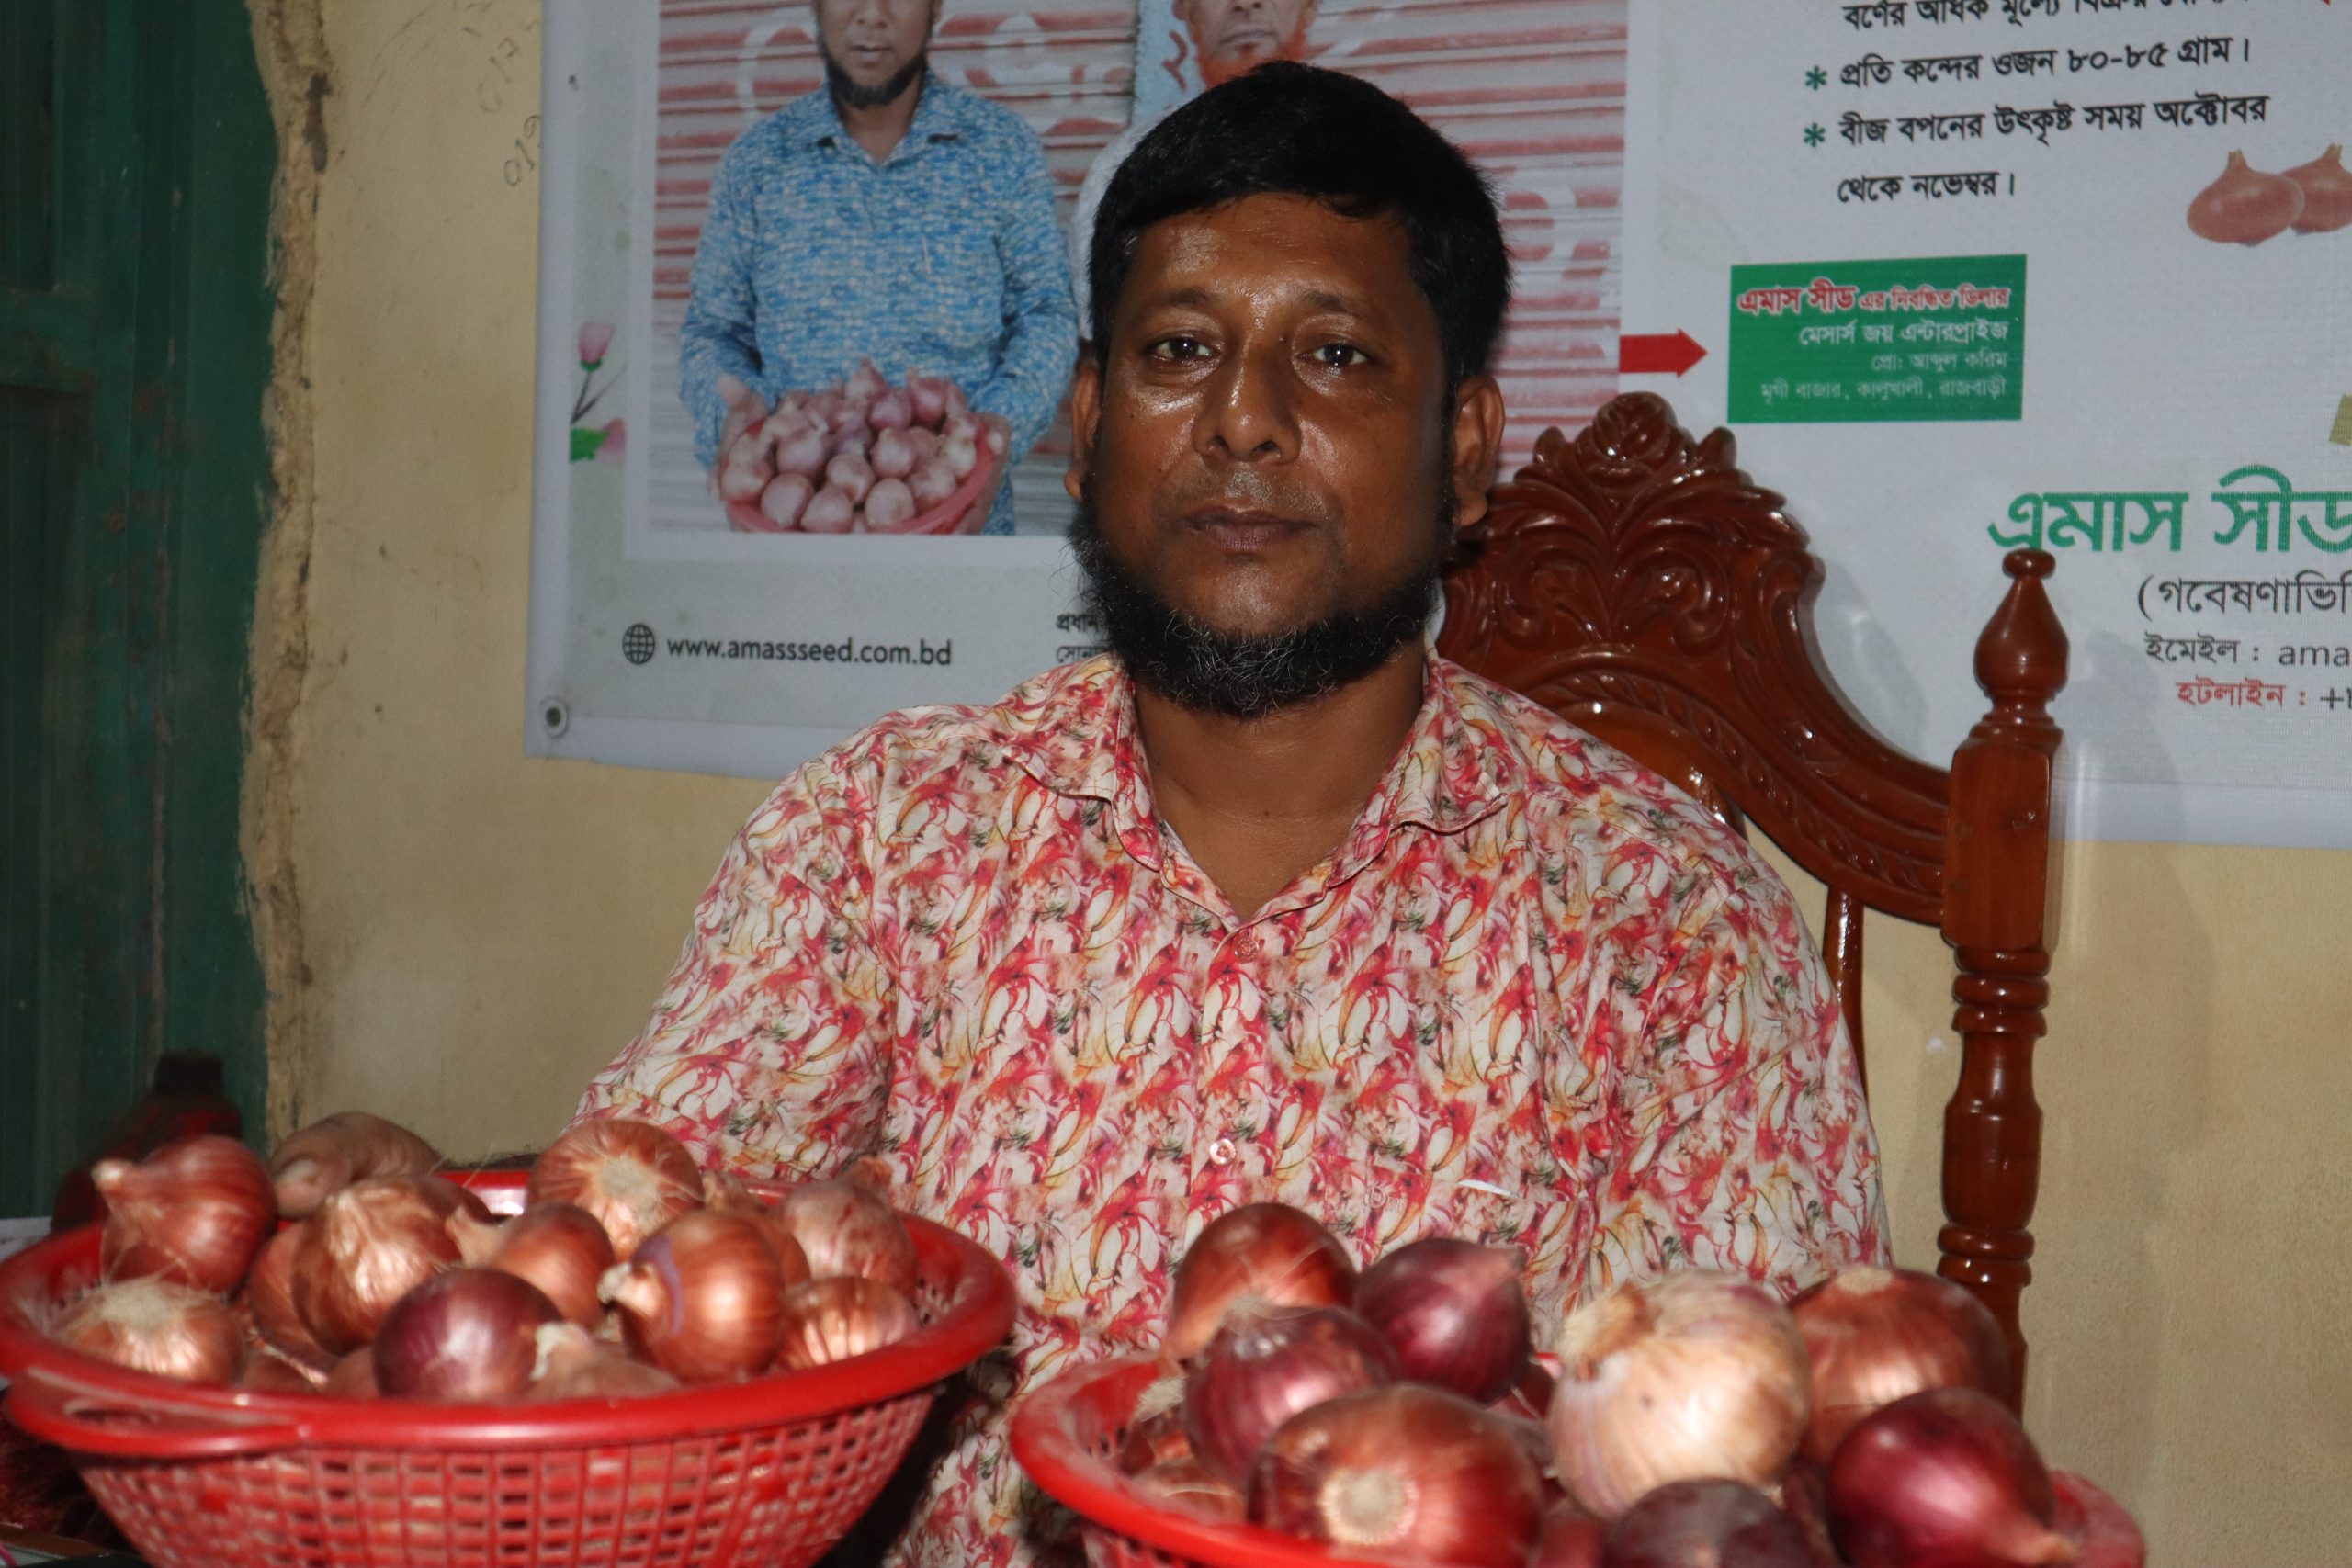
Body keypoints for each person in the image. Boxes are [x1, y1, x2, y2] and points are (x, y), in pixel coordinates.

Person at [278, 65, 1882, 1567]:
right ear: (1087, 420)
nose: (1242, 418)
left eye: (1335, 355)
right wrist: (439, 1238)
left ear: (1464, 450)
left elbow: (1736, 1478)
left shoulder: (1667, 921)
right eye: (1180, 350)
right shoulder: (887, 834)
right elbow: (656, 1248)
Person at [679, 0, 1078, 535]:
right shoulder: (757, 164)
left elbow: (1046, 312)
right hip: (792, 537)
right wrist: (731, 413)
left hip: (960, 537)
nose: (871, 13)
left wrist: (999, 425)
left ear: (936, 7)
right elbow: (712, 331)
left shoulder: (1001, 152)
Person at [1068, 0, 1318, 330]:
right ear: (1186, 10)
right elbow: (1099, 330)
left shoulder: (1370, 144)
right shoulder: (1130, 158)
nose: (1245, 4)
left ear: (1310, 6)